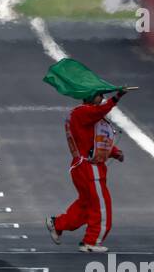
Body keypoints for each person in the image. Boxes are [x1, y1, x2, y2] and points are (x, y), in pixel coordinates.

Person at [45, 87, 129, 252]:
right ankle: (91, 242)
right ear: (91, 97)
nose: (102, 98)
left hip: (84, 166)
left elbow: (95, 141)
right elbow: (100, 114)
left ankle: (57, 224)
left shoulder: (85, 116)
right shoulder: (83, 113)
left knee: (86, 205)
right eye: (100, 96)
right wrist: (117, 97)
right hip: (90, 168)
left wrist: (115, 153)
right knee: (101, 206)